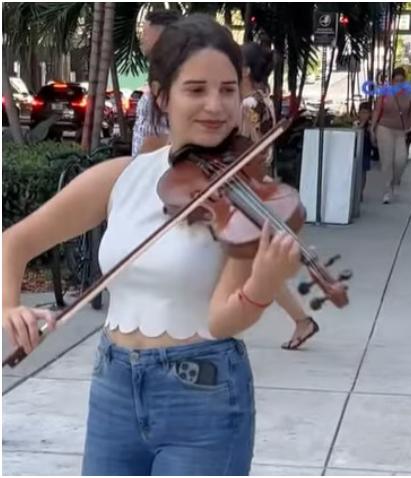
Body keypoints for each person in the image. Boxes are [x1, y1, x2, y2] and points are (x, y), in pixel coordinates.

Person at [3, 15, 301, 475]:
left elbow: (223, 320)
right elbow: (15, 242)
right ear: (162, 96)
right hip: (113, 387)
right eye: (196, 89)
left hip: (203, 395)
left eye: (227, 89)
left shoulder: (244, 193)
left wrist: (262, 285)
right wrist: (11, 308)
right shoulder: (121, 177)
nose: (216, 105)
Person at [238, 41, 319, 350]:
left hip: (246, 189)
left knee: (248, 263)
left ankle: (300, 320)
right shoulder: (264, 101)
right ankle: (301, 320)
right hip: (259, 185)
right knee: (252, 264)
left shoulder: (246, 106)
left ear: (244, 70)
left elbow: (241, 149)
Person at [131, 9, 181, 158]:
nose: (141, 38)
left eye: (145, 33)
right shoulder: (156, 74)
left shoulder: (176, 78)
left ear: (162, 36)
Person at [370, 67, 411, 205]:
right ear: (392, 81)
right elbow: (377, 110)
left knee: (401, 161)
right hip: (384, 128)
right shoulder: (384, 93)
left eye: (402, 81)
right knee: (387, 162)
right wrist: (372, 128)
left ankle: (394, 181)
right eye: (396, 81)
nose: (399, 83)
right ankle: (387, 190)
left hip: (400, 131)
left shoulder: (409, 94)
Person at [355, 102, 378, 203]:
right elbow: (354, 133)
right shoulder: (355, 124)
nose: (364, 115)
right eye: (362, 112)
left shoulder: (371, 126)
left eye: (366, 113)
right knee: (356, 173)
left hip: (366, 152)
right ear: (359, 113)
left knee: (363, 173)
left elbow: (374, 143)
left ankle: (360, 192)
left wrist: (371, 131)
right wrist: (362, 125)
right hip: (355, 151)